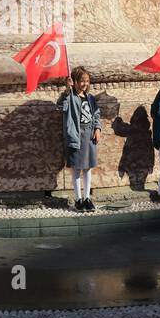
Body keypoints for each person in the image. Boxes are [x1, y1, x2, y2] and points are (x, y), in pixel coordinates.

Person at [58, 66, 101, 213]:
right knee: (76, 168)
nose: (85, 84)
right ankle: (78, 199)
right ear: (75, 81)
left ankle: (87, 197)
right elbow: (60, 106)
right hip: (75, 136)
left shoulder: (90, 98)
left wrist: (97, 128)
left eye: (87, 81)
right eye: (82, 81)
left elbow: (96, 115)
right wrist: (66, 91)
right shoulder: (69, 97)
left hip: (89, 135)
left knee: (88, 167)